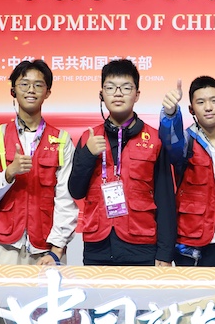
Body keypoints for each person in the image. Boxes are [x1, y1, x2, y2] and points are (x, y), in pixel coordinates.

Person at [68, 58, 176, 266]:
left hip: (141, 246)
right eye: (110, 87)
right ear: (101, 94)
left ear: (137, 94)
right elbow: (76, 190)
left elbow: (165, 199)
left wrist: (165, 253)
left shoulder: (154, 140)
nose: (118, 94)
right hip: (97, 247)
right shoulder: (88, 138)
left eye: (126, 87)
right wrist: (88, 154)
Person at [0, 60, 77, 266]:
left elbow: (66, 199)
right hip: (6, 247)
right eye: (24, 84)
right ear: (13, 91)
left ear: (47, 92)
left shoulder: (61, 140)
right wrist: (8, 174)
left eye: (38, 85)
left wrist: (56, 249)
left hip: (46, 248)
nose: (31, 90)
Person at [158, 76, 215, 267]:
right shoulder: (186, 144)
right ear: (191, 109)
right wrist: (170, 114)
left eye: (214, 100)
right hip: (190, 247)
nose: (208, 107)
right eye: (200, 102)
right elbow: (170, 143)